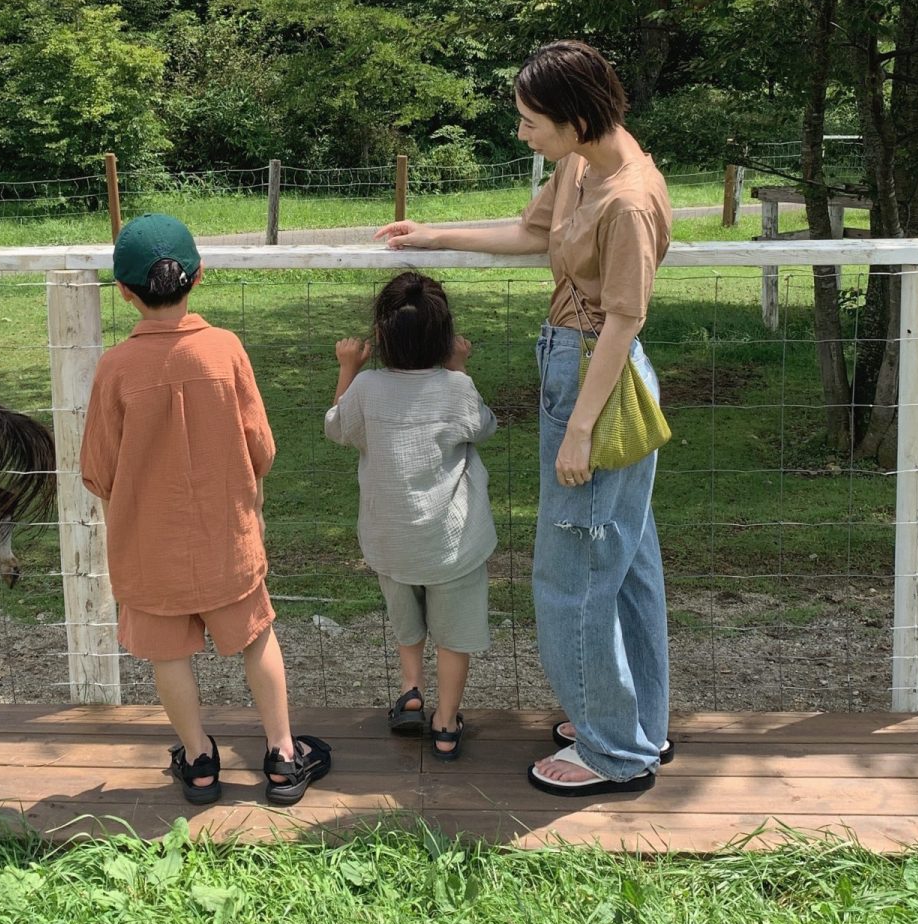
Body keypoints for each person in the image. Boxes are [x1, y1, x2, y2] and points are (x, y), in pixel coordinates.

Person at [375, 40, 673, 798]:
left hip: (596, 381)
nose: (522, 134)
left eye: (531, 122)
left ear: (576, 119)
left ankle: (614, 753)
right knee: (626, 559)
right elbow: (535, 235)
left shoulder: (629, 199)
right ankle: (631, 722)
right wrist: (433, 234)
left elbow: (624, 320)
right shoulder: (585, 163)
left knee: (572, 571)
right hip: (573, 365)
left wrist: (579, 427)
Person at [81, 212, 333, 806]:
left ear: (124, 292)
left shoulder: (115, 369)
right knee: (256, 637)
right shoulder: (226, 350)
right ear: (199, 277)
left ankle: (197, 760)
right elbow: (261, 447)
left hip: (148, 546)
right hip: (229, 535)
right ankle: (282, 756)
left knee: (167, 653)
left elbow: (97, 468)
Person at [324, 271, 498, 761]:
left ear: (379, 336)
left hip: (391, 541)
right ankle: (445, 722)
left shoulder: (367, 388)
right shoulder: (457, 388)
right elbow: (484, 427)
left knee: (406, 620)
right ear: (446, 338)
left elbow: (338, 428)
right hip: (453, 543)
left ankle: (411, 689)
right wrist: (460, 369)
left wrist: (347, 369)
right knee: (455, 632)